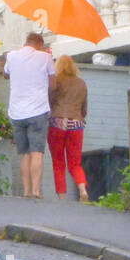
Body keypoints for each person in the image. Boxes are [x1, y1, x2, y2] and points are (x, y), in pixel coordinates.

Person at [0, 32, 55, 199]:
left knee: (24, 153)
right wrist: (50, 103)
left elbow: (5, 75)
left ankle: (26, 191)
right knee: (37, 152)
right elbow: (53, 85)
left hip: (16, 112)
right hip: (38, 110)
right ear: (39, 44)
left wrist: (1, 64)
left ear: (26, 42)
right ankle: (36, 192)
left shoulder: (11, 56)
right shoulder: (45, 57)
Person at [48, 55, 90, 201]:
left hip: (57, 123)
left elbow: (50, 101)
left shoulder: (56, 81)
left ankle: (62, 197)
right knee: (75, 163)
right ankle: (82, 189)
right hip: (76, 124)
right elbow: (84, 108)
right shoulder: (81, 83)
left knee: (58, 162)